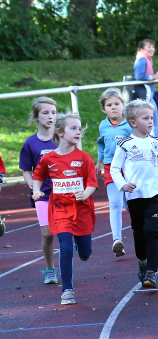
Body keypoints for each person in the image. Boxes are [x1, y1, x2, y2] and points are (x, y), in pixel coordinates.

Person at [111, 99, 158, 289]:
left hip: (154, 194)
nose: (150, 122)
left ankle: (151, 272)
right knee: (139, 232)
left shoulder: (156, 142)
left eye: (151, 118)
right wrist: (123, 185)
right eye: (145, 118)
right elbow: (115, 169)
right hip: (134, 195)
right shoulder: (125, 144)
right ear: (133, 123)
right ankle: (142, 261)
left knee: (151, 230)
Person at [31, 112, 97, 305]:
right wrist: (36, 190)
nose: (78, 132)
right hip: (60, 210)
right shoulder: (49, 159)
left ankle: (81, 245)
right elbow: (38, 175)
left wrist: (85, 194)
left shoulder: (84, 158)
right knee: (65, 248)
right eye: (73, 128)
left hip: (82, 210)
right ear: (59, 132)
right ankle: (67, 289)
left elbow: (92, 183)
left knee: (85, 254)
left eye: (79, 128)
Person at [20, 97, 58, 284]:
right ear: (36, 116)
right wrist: (33, 187)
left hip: (63, 193)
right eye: (45, 112)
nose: (50, 116)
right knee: (47, 234)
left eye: (53, 112)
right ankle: (50, 269)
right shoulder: (30, 144)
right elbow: (26, 170)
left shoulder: (62, 139)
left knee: (68, 231)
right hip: (42, 195)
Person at [96, 88, 132, 257]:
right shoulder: (103, 125)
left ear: (123, 105)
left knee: (130, 205)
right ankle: (117, 240)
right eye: (109, 105)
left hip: (129, 169)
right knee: (115, 204)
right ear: (104, 109)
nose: (114, 108)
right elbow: (101, 143)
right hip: (111, 169)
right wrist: (100, 160)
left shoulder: (130, 124)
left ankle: (142, 230)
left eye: (117, 104)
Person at [134, 39, 158, 137]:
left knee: (152, 123)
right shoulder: (142, 59)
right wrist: (154, 77)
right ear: (142, 49)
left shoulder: (146, 59)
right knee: (152, 124)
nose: (152, 49)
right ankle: (155, 147)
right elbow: (139, 76)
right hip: (146, 95)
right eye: (149, 47)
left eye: (153, 47)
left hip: (148, 94)